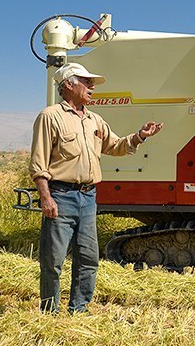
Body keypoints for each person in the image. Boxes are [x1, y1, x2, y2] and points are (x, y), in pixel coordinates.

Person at [29, 62, 164, 315]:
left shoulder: (94, 120)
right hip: (61, 196)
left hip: (88, 197)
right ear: (69, 84)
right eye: (86, 81)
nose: (92, 86)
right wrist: (46, 198)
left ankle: (79, 309)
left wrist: (140, 136)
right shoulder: (50, 116)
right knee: (53, 260)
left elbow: (116, 146)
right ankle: (49, 311)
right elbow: (39, 164)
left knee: (88, 259)